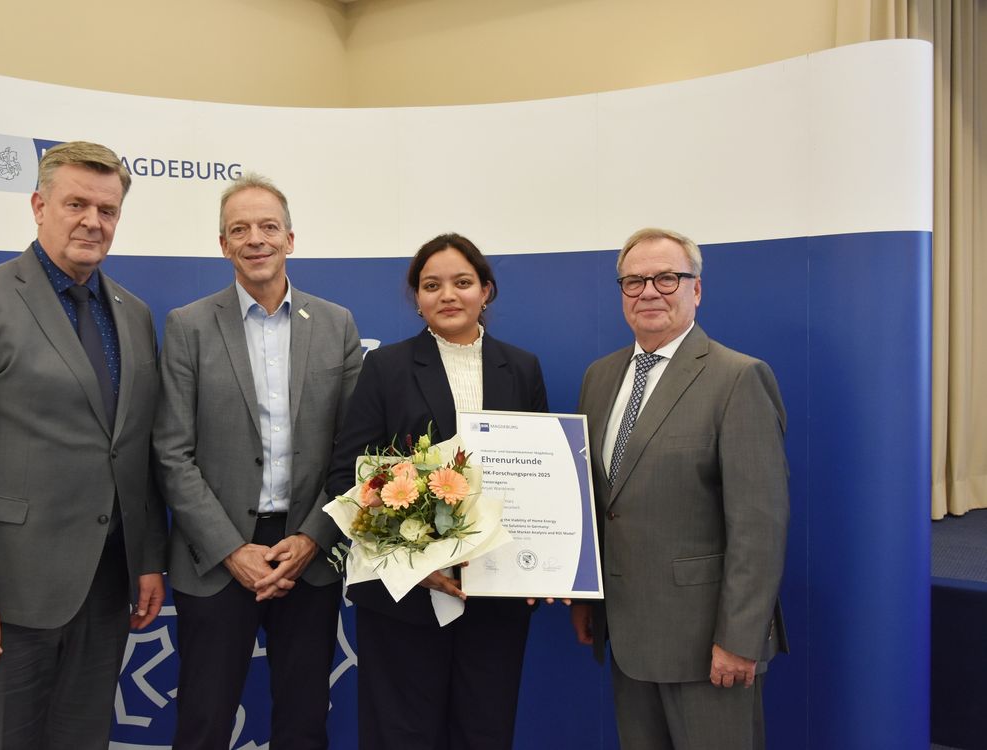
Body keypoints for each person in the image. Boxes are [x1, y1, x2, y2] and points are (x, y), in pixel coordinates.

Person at [0, 141, 168, 749]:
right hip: (2, 600)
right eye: (76, 204)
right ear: (38, 205)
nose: (92, 221)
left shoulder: (132, 313)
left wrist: (147, 558)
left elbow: (133, 451)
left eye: (107, 210)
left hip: (103, 591)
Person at [152, 174, 362, 750]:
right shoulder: (188, 326)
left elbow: (352, 453)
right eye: (239, 229)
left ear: (290, 238)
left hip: (309, 554)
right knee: (204, 720)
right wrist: (230, 550)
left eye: (268, 226)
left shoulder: (337, 324)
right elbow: (172, 452)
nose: (255, 239)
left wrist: (314, 538)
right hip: (215, 554)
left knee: (303, 720)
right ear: (223, 244)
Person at [326, 232, 548, 750]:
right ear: (418, 298)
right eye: (432, 286)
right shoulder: (386, 368)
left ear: (485, 291)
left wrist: (546, 562)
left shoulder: (522, 368)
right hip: (405, 599)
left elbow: (542, 477)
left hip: (496, 595)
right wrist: (413, 564)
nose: (447, 295)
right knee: (401, 736)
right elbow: (347, 479)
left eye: (462, 282)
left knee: (484, 733)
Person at [571, 227, 789, 750]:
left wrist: (739, 639)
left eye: (666, 278)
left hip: (707, 645)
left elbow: (759, 525)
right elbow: (600, 502)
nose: (649, 291)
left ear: (697, 289)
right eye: (634, 281)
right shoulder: (599, 378)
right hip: (626, 634)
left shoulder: (738, 378)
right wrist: (585, 595)